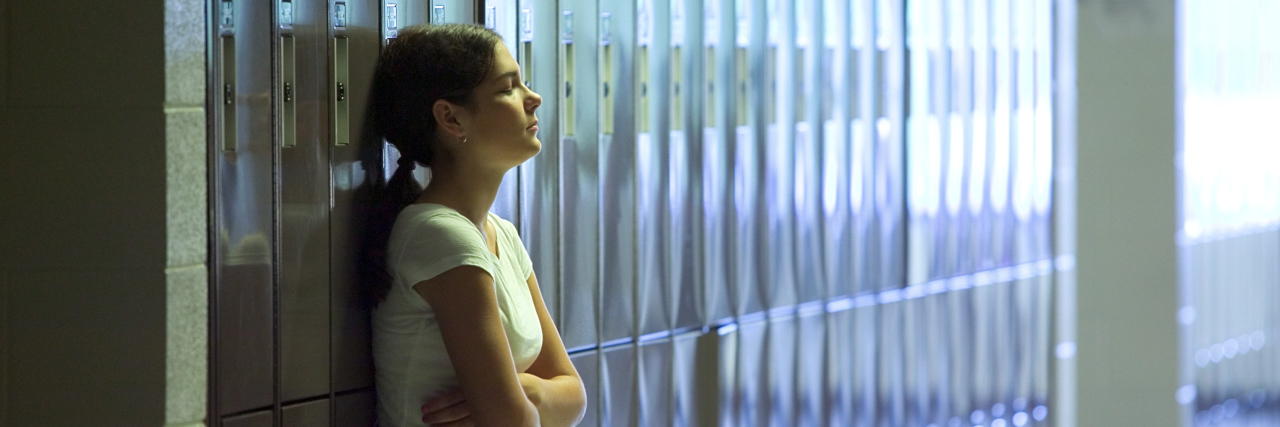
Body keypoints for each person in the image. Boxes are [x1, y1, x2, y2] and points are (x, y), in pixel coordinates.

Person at [365, 23, 586, 427]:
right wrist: (527, 399)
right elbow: (512, 421)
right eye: (508, 88)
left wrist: (530, 392)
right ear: (451, 118)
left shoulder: (500, 234)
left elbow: (574, 394)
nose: (533, 98)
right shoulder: (439, 234)